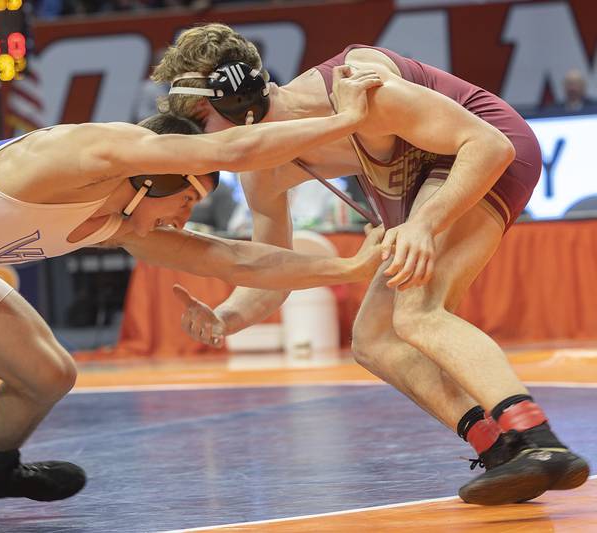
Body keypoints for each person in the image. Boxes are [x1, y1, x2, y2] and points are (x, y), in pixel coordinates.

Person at [0, 69, 385, 504]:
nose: (183, 217)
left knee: (49, 373)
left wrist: (349, 269)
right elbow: (230, 148)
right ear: (158, 173)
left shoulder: (121, 219)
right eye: (186, 200)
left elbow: (234, 259)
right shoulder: (84, 152)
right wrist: (348, 121)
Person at [152, 23, 589, 505]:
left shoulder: (358, 85)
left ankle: (540, 441)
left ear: (237, 98)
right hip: (421, 180)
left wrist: (423, 224)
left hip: (481, 148)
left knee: (418, 312)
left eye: (200, 122)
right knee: (374, 339)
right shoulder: (263, 170)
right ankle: (502, 448)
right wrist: (226, 317)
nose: (202, 146)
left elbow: (489, 146)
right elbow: (270, 270)